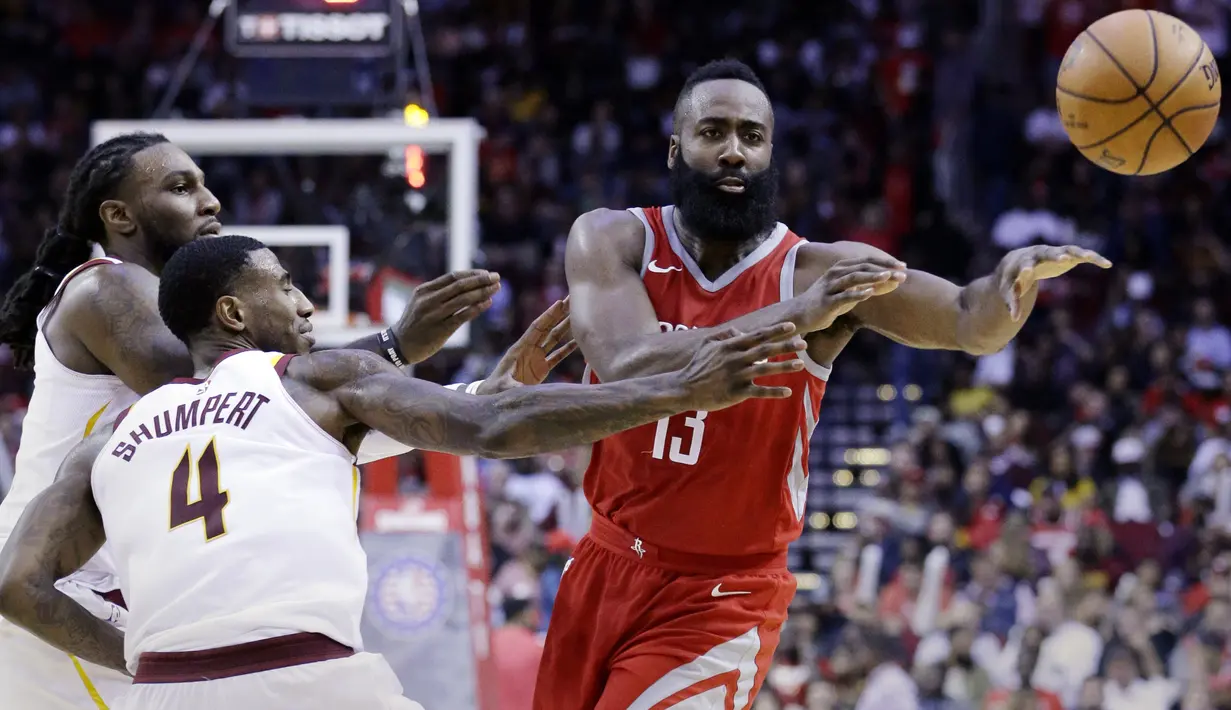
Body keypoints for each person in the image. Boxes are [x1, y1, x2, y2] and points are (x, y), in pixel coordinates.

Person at [0, 235, 807, 710]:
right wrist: (677, 388)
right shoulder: (309, 379)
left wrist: (137, 658)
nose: (307, 304)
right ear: (234, 314)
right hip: (307, 682)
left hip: (165, 693)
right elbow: (494, 432)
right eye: (284, 287)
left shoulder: (110, 438)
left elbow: (16, 584)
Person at [540, 58, 1111, 709]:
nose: (733, 151)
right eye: (714, 132)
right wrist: (793, 319)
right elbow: (625, 365)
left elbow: (964, 319)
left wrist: (1009, 287)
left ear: (771, 155)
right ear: (676, 149)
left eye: (751, 137)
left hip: (718, 596)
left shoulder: (819, 273)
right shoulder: (614, 239)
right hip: (603, 563)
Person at [0, 133, 573, 709]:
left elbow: (292, 417)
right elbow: (272, 401)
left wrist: (470, 394)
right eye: (180, 187)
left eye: (203, 183)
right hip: (58, 589)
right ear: (118, 216)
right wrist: (393, 347)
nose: (210, 201)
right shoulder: (105, 286)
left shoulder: (176, 337)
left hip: (117, 587)